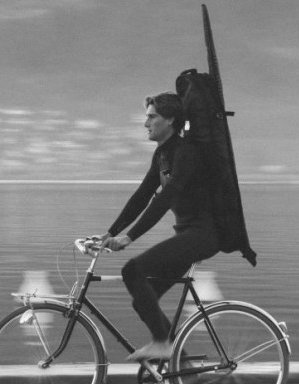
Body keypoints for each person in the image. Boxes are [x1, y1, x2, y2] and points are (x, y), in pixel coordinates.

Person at [94, 92, 220, 361]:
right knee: (143, 300)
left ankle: (162, 344)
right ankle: (182, 367)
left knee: (133, 270)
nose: (145, 123)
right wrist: (111, 232)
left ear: (170, 119)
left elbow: (166, 198)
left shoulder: (186, 152)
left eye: (152, 117)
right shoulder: (162, 154)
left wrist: (130, 237)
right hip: (187, 234)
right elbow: (142, 196)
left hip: (204, 234)